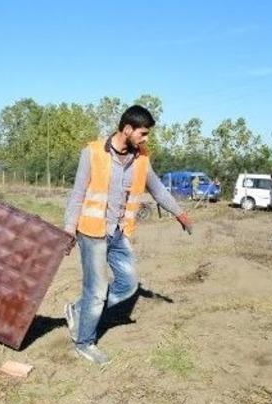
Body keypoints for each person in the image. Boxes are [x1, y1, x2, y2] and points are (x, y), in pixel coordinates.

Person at [62, 105, 193, 365]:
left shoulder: (141, 158)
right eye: (143, 134)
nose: (146, 139)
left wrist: (180, 213)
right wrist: (68, 229)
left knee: (129, 284)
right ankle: (84, 342)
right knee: (97, 291)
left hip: (119, 233)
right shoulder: (92, 153)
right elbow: (77, 194)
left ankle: (78, 310)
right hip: (92, 232)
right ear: (127, 129)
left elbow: (158, 190)